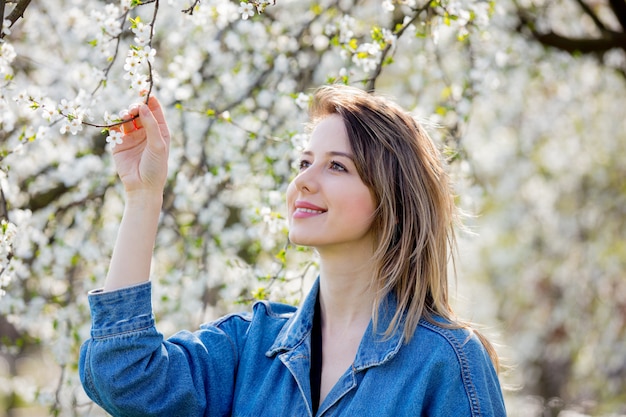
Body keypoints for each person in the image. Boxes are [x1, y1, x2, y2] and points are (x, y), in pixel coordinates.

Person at [79, 85, 507, 416]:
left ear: (391, 201)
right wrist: (142, 195)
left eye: (337, 165)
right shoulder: (251, 347)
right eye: (305, 162)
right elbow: (125, 375)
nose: (304, 180)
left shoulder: (447, 362)